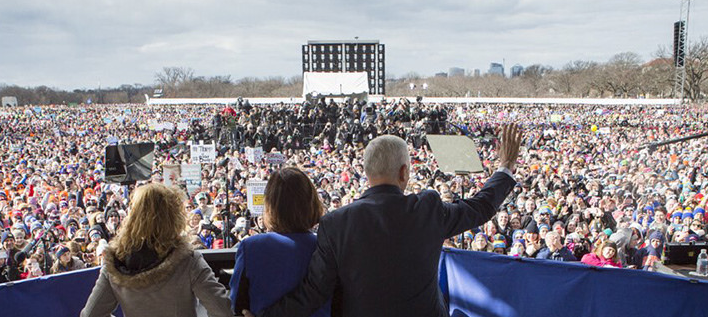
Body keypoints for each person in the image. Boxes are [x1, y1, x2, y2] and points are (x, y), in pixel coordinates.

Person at [257, 125, 522, 317]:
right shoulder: (427, 209)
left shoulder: (336, 223)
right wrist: (506, 165)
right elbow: (480, 207)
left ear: (366, 172)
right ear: (404, 172)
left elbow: (313, 293)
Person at [80, 184, 232, 317]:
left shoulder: (114, 263)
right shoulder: (188, 260)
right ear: (174, 217)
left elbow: (90, 314)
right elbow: (222, 310)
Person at [230, 167, 328, 317]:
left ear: (270, 206)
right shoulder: (326, 246)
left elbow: (237, 304)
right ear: (311, 203)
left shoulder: (251, 247)